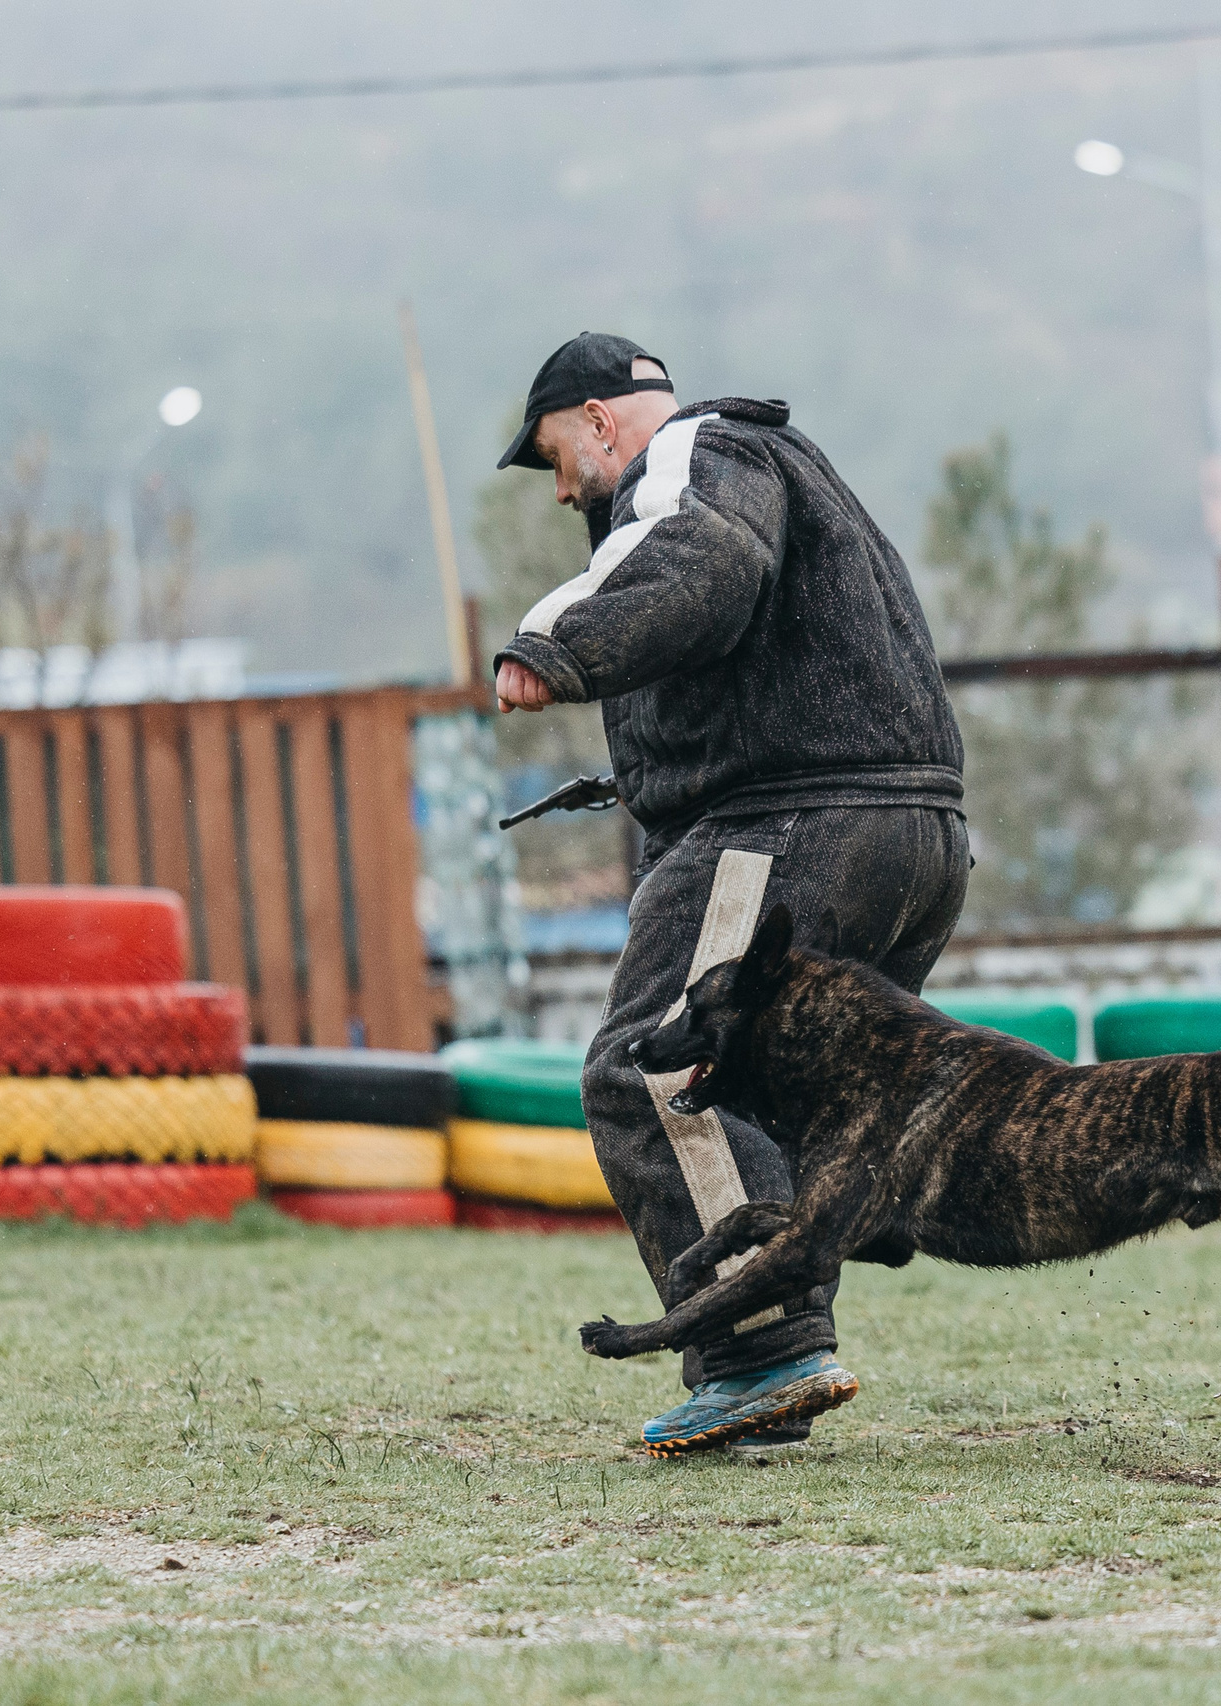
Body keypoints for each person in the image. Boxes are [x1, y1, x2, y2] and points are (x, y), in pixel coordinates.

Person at [493, 332, 970, 1456]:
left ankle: (760, 1351)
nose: (561, 490)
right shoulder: (786, 468)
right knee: (788, 1087)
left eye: (557, 458)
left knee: (656, 1068)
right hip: (913, 835)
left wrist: (555, 642)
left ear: (601, 421)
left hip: (790, 829)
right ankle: (850, 1251)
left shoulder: (698, 450)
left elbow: (695, 555)